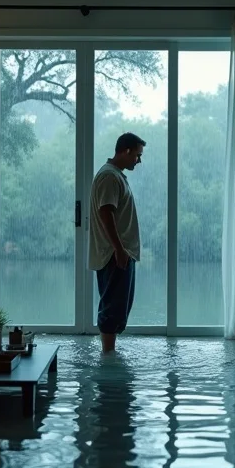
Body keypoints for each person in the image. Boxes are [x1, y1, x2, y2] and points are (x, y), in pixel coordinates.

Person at [89, 132, 145, 353]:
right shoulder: (109, 177)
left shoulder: (115, 176)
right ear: (126, 151)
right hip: (114, 253)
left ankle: (109, 352)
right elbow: (106, 212)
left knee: (118, 303)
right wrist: (119, 249)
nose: (138, 161)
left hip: (119, 252)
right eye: (137, 156)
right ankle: (108, 354)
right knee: (113, 304)